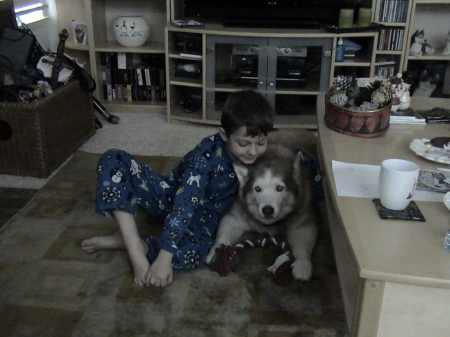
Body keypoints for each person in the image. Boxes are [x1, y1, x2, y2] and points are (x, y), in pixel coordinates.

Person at [81, 90, 274, 287]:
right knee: (113, 158)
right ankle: (133, 246)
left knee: (194, 255)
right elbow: (185, 202)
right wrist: (164, 258)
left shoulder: (262, 157)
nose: (252, 151)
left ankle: (143, 244)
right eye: (243, 144)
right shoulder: (206, 156)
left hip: (204, 218)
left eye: (261, 143)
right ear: (224, 134)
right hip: (172, 196)